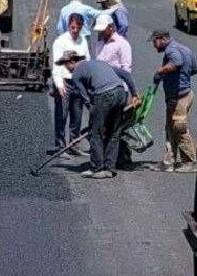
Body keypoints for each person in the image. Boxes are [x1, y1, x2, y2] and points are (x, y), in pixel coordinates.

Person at [57, 51, 142, 179]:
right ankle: (109, 168)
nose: (66, 68)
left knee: (95, 133)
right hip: (120, 93)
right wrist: (135, 94)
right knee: (114, 133)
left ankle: (96, 168)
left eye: (66, 65)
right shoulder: (101, 63)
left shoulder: (76, 74)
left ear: (72, 62)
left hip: (104, 96)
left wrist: (94, 117)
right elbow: (126, 75)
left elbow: (85, 98)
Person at [149, 29, 197, 172]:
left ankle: (189, 162)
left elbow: (177, 62)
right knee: (170, 128)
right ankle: (168, 161)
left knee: (178, 127)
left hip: (179, 97)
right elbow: (194, 69)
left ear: (162, 39)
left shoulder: (172, 51)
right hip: (185, 94)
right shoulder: (185, 48)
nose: (154, 45)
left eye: (155, 42)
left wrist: (161, 71)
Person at [94, 13, 136, 168]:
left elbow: (126, 69)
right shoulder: (99, 44)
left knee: (115, 127)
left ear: (111, 27)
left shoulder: (122, 44)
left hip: (118, 91)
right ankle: (107, 157)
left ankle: (120, 158)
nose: (100, 32)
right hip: (101, 91)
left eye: (103, 29)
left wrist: (129, 92)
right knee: (102, 127)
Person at [49, 14, 90, 155]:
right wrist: (59, 84)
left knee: (77, 115)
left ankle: (74, 145)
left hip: (79, 82)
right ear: (69, 26)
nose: (75, 30)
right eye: (73, 27)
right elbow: (56, 66)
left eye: (78, 27)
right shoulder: (60, 41)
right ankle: (60, 146)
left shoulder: (83, 40)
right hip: (65, 81)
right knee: (62, 114)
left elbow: (87, 60)